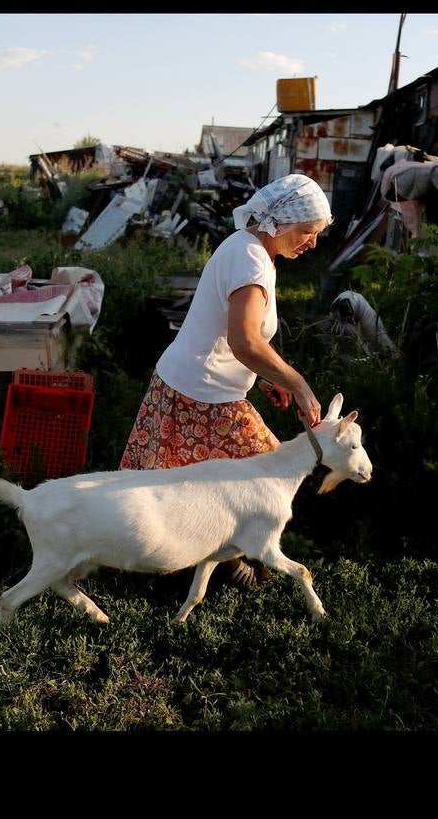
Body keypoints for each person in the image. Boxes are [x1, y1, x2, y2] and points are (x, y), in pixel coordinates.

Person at [119, 174, 332, 588]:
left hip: (189, 385)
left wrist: (270, 375)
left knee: (181, 488)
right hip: (200, 397)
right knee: (268, 474)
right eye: (309, 231)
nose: (313, 243)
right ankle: (230, 567)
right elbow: (244, 340)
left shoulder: (249, 248)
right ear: (281, 221)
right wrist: (298, 383)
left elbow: (239, 339)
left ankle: (198, 564)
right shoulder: (251, 259)